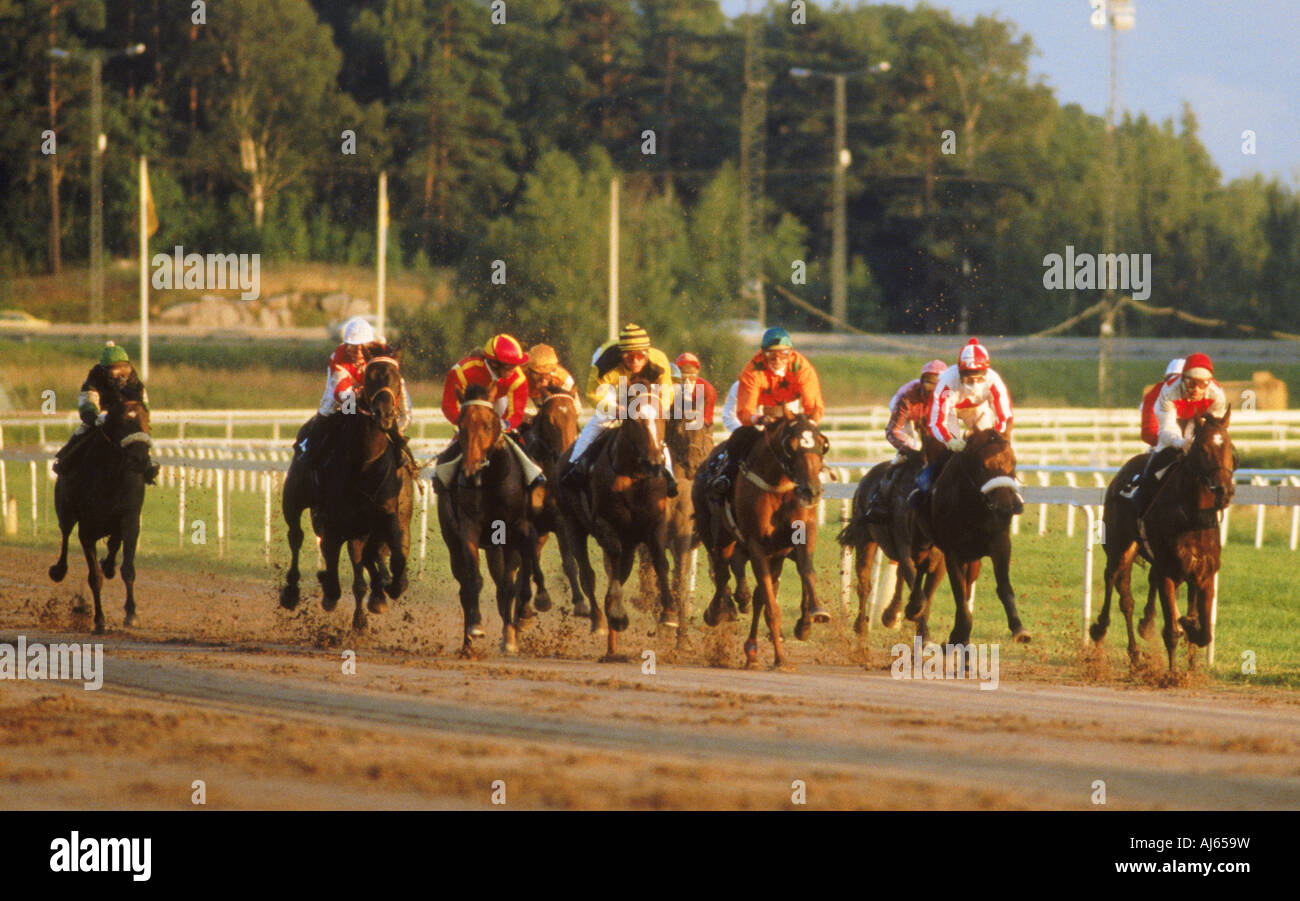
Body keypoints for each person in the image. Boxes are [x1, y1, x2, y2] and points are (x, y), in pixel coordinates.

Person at [560, 323, 677, 496]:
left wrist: (657, 409)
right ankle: (575, 464)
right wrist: (615, 409)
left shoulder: (659, 360)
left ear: (647, 353)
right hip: (612, 384)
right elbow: (592, 395)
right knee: (601, 420)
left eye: (639, 357)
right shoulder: (604, 364)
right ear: (622, 355)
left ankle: (668, 474)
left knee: (651, 423)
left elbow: (667, 390)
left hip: (643, 384)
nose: (635, 362)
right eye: (629, 357)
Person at [708, 326, 824, 499]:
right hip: (760, 420)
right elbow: (744, 413)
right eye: (771, 354)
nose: (777, 359)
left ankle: (815, 478)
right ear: (763, 354)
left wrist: (807, 427)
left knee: (814, 441)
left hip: (790, 418)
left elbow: (813, 407)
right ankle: (727, 476)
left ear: (791, 353)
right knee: (740, 437)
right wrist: (760, 419)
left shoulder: (802, 369)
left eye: (783, 354)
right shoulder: (752, 371)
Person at [295, 316, 412, 472]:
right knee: (330, 410)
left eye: (361, 346)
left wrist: (402, 416)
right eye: (352, 346)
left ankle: (405, 457)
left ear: (369, 344)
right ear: (346, 345)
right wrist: (361, 393)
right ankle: (310, 450)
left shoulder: (382, 352)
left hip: (373, 394)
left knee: (392, 414)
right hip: (345, 392)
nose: (357, 351)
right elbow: (342, 394)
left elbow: (396, 383)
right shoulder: (339, 357)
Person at [433, 333, 545, 492]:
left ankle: (533, 474)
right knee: (465, 437)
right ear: (493, 363)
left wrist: (503, 424)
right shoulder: (462, 371)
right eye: (509, 366)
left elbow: (517, 413)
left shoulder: (518, 378)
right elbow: (448, 405)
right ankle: (441, 474)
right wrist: (468, 425)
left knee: (513, 437)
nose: (515, 369)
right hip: (470, 410)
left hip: (500, 407)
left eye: (515, 365)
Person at [910, 338, 1013, 508]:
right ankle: (925, 486)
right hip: (950, 409)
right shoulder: (947, 382)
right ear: (960, 372)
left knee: (993, 449)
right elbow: (936, 421)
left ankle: (1008, 490)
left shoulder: (994, 380)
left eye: (978, 378)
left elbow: (1005, 415)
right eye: (968, 378)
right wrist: (950, 440)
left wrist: (998, 437)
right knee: (947, 450)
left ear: (986, 372)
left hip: (976, 408)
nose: (973, 383)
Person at [1126, 352, 1227, 517]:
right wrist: (1181, 443)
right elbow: (1155, 432)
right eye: (1190, 383)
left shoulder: (1216, 394)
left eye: (1200, 384)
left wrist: (1200, 442)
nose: (1195, 390)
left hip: (1194, 427)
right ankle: (1142, 502)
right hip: (1167, 433)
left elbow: (1215, 427)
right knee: (1158, 462)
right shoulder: (1163, 393)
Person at [53, 341, 156, 480]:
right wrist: (95, 417)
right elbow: (87, 404)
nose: (121, 375)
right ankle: (65, 459)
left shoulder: (135, 382)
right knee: (84, 429)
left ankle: (147, 464)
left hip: (125, 418)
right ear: (105, 370)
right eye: (116, 370)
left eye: (124, 368)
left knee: (141, 433)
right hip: (101, 414)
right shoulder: (94, 379)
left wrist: (139, 418)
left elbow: (144, 407)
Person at [860, 359, 946, 523]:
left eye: (935, 385)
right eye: (927, 384)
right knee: (908, 451)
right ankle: (879, 502)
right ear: (921, 382)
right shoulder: (907, 397)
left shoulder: (946, 397)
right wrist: (908, 451)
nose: (930, 390)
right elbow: (892, 431)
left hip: (929, 418)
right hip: (906, 415)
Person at [522, 343, 581, 413]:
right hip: (527, 392)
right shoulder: (519, 372)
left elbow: (577, 410)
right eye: (538, 374)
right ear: (529, 370)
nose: (543, 380)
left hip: (551, 392)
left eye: (546, 375)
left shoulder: (564, 379)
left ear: (553, 371)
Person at [1140, 358, 1184, 448]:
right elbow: (1149, 432)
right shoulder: (1155, 394)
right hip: (1163, 445)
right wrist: (1174, 441)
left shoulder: (1200, 394)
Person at [674, 352, 716, 431]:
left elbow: (707, 417)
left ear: (697, 372)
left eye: (691, 373)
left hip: (701, 426)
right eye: (683, 372)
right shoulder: (673, 387)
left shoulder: (707, 389)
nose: (687, 377)